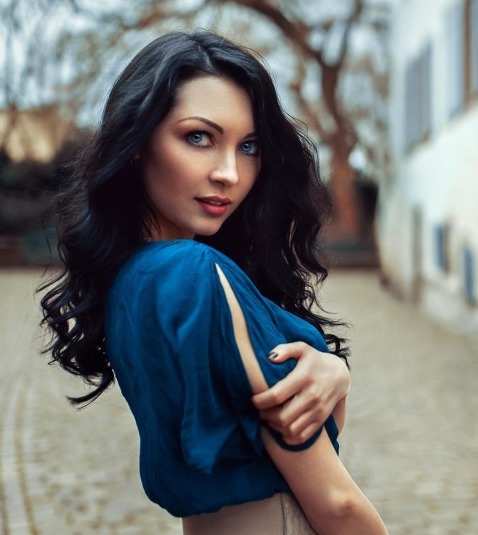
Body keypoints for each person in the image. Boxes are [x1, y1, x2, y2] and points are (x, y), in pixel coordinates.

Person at [39, 30, 387, 534]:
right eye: (198, 137)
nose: (229, 172)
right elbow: (335, 502)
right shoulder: (193, 272)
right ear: (137, 145)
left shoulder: (132, 278)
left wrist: (336, 372)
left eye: (248, 146)